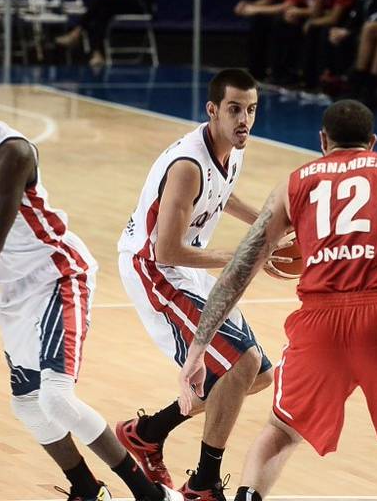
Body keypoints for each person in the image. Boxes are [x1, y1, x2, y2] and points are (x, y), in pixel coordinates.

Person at [0, 56, 179, 501]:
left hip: (57, 273)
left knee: (56, 398)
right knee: (26, 405)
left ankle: (149, 495)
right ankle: (87, 490)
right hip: (14, 285)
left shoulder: (12, 153)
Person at [177, 100, 377, 501]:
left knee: (281, 430)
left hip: (319, 324)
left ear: (323, 141)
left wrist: (198, 348)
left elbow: (240, 267)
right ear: (372, 142)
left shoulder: (293, 185)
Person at [115, 69, 272, 501]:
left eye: (251, 110)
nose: (244, 120)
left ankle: (149, 432)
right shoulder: (187, 166)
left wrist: (266, 227)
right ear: (212, 110)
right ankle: (203, 484)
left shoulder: (231, 149)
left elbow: (221, 193)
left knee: (258, 375)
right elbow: (166, 250)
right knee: (241, 363)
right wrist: (243, 256)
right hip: (153, 269)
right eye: (235, 109)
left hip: (187, 265)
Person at [298, 0, 359, 92]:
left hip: (352, 24)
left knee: (322, 30)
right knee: (313, 29)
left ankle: (325, 78)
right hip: (339, 22)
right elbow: (315, 14)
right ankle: (309, 79)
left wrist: (311, 23)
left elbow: (333, 19)